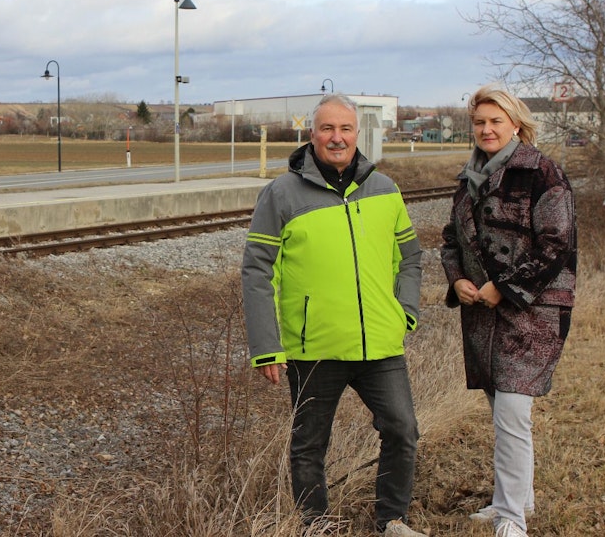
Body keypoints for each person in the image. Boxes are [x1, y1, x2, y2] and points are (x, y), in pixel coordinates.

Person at [242, 94, 425, 536]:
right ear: (312, 134)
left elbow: (412, 257)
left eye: (345, 129)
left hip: (380, 343)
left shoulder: (385, 188)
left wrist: (406, 312)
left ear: (357, 134)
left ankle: (392, 521)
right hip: (314, 346)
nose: (336, 138)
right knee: (309, 444)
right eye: (327, 129)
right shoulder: (281, 194)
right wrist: (267, 347)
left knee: (402, 430)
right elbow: (256, 269)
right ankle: (315, 525)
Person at [440, 86, 576, 537]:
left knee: (513, 411)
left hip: (532, 311)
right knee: (503, 409)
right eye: (480, 122)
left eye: (496, 121)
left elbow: (556, 242)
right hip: (482, 310)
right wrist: (457, 278)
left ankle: (511, 518)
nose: (486, 129)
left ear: (515, 123)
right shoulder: (469, 178)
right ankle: (516, 499)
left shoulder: (541, 172)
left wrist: (506, 287)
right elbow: (450, 238)